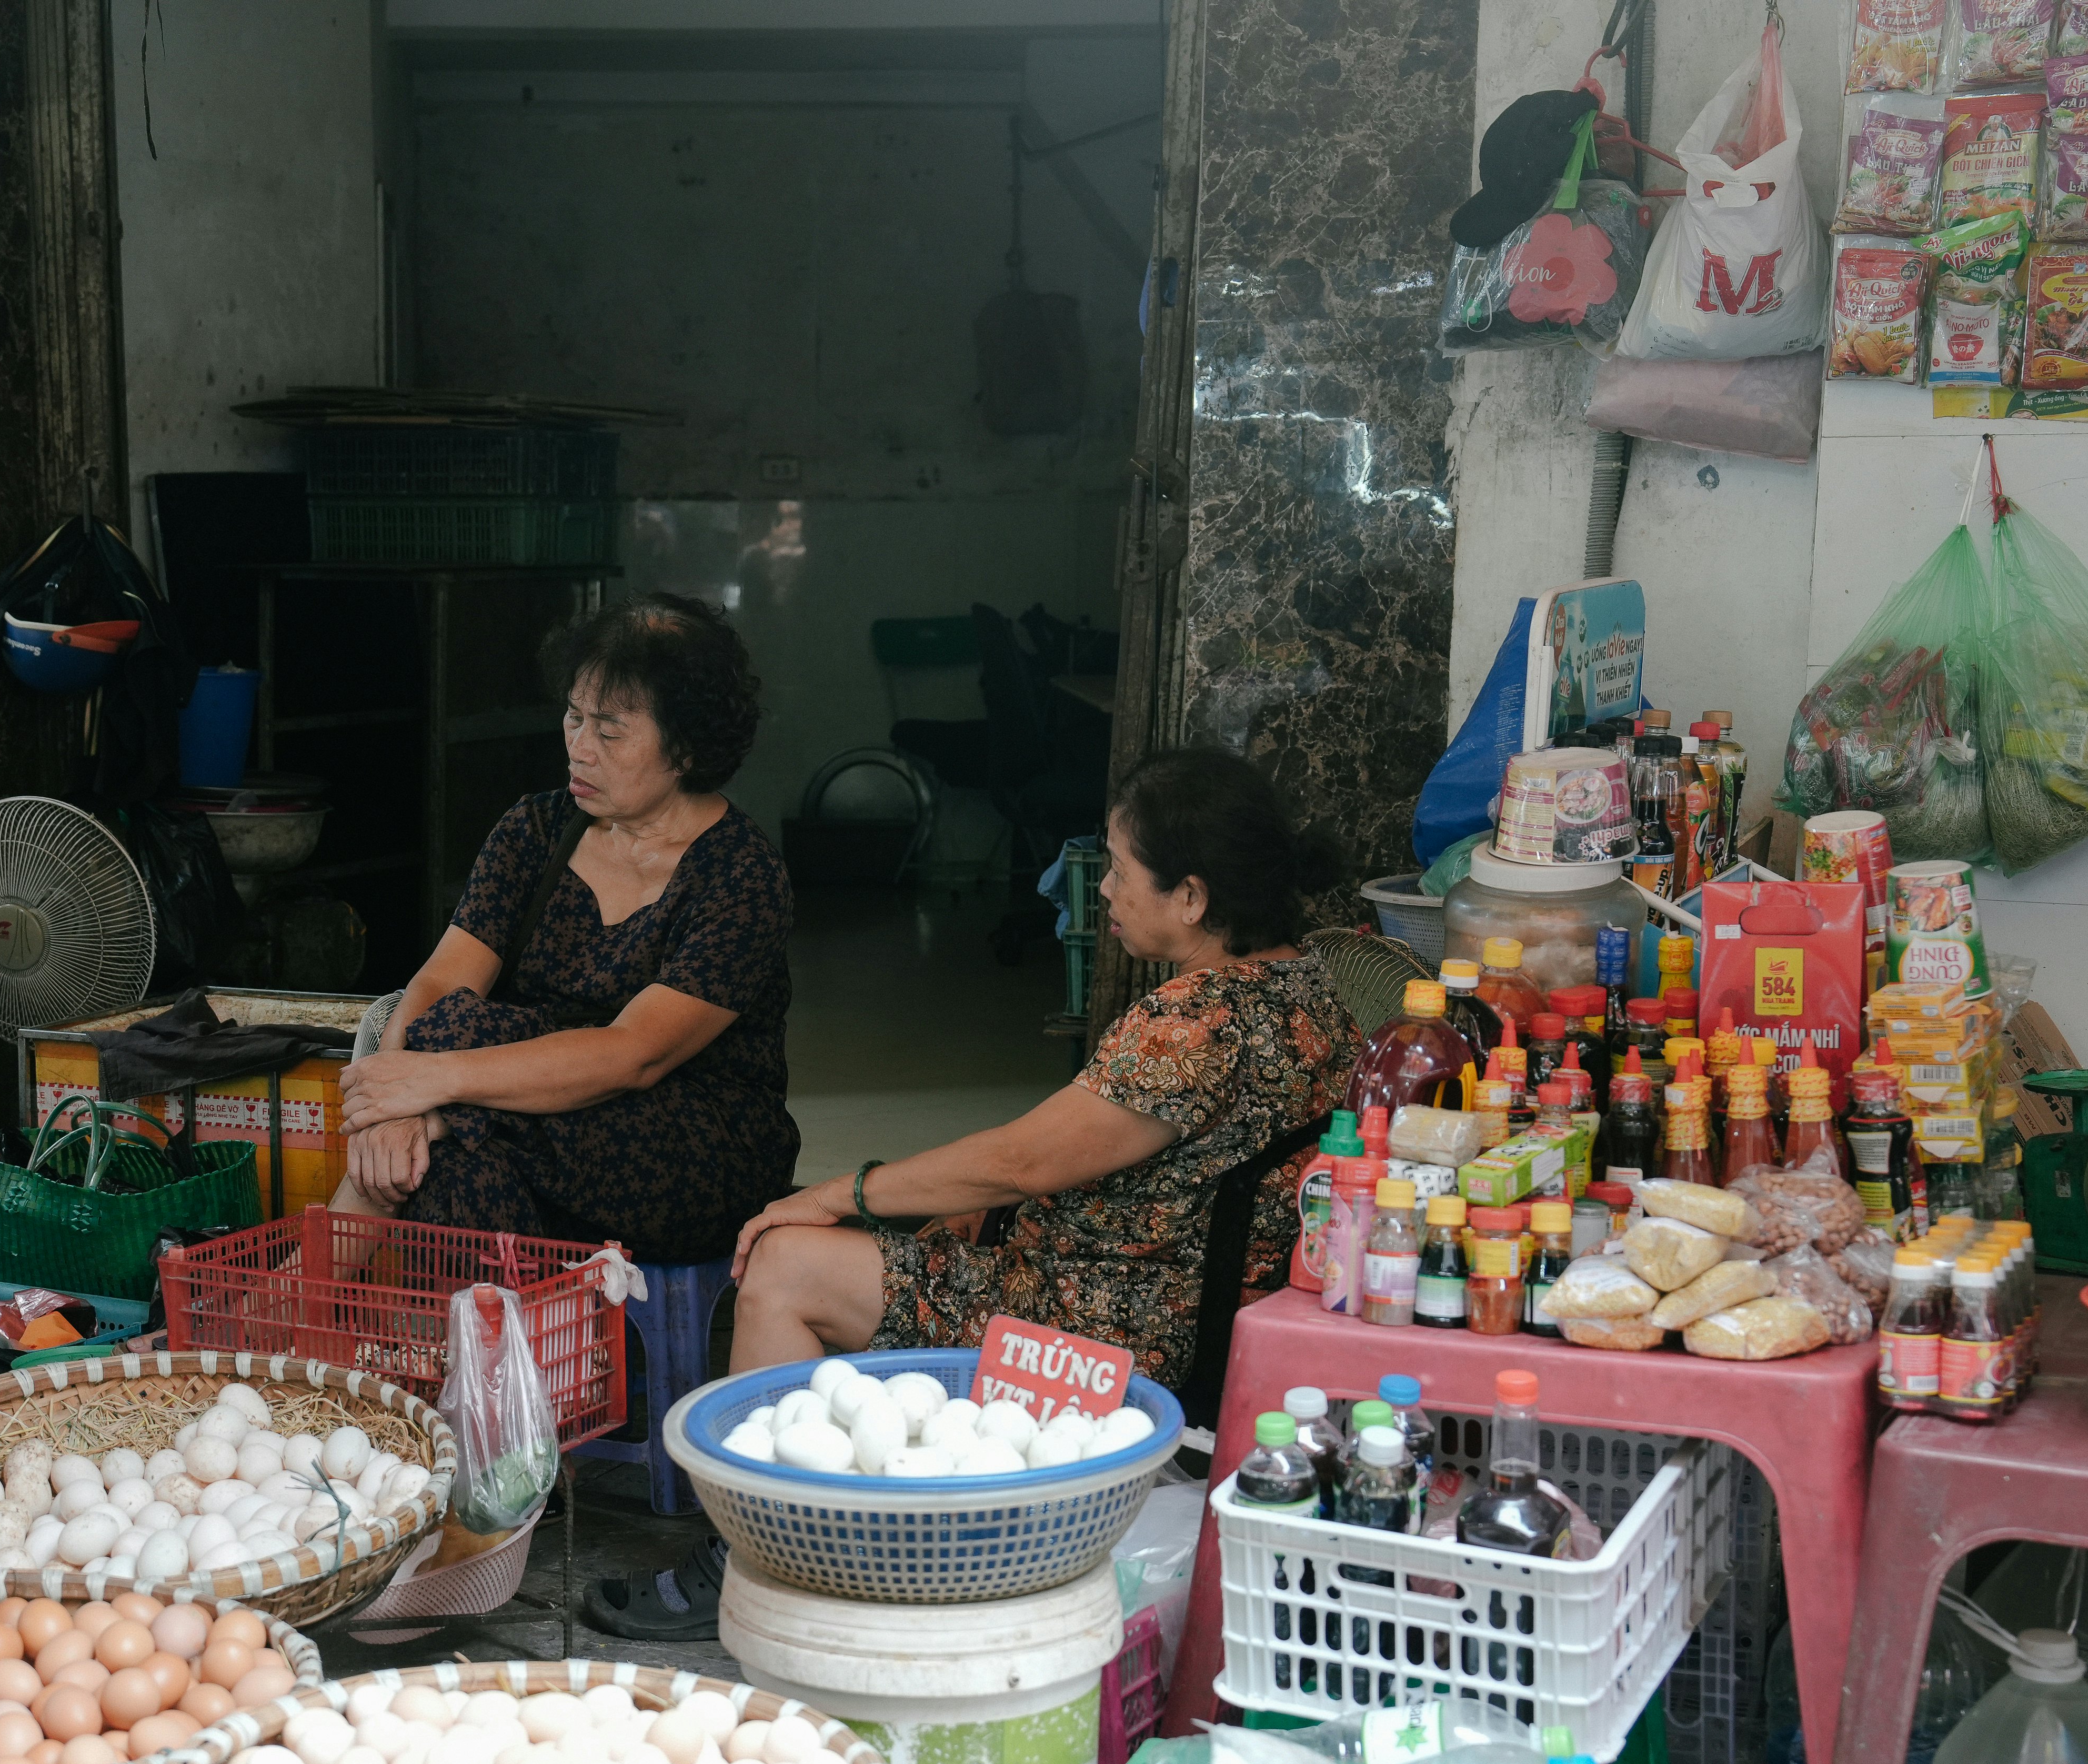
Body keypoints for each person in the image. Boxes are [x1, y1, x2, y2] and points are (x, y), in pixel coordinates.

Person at [585, 748, 1359, 1639]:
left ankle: (752, 1557)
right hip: (1175, 1291)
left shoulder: (1195, 1024)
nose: (1102, 888)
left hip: (1111, 1327)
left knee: (787, 1265)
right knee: (905, 1228)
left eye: (1118, 868)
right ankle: (828, 1525)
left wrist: (846, 1193)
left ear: (1191, 896)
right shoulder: (1309, 987)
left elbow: (1026, 1163)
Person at [333, 593, 798, 1266]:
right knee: (461, 1171)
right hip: (529, 1121)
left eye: (610, 733)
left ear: (687, 749)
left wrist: (434, 1088)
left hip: (686, 1146)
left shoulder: (741, 877)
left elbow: (636, 1055)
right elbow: (440, 981)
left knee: (462, 1046)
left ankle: (275, 1312)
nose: (580, 748)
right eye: (574, 718)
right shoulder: (535, 831)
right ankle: (499, 1368)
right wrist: (399, 1109)